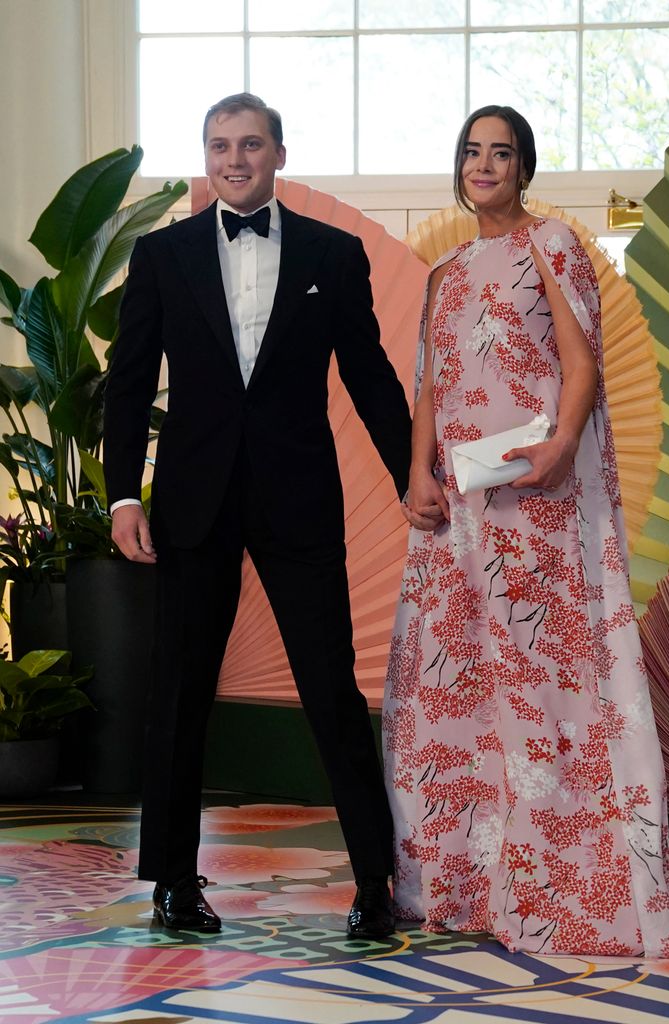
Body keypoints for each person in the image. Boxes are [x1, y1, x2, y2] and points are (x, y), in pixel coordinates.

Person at [383, 105, 669, 957]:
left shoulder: (552, 245)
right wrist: (416, 473)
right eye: (471, 151)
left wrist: (562, 445)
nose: (484, 165)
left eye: (502, 153)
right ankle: (466, 876)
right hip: (457, 509)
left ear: (525, 169)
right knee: (458, 675)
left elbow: (582, 365)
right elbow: (431, 387)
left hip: (533, 499)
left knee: (541, 672)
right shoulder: (444, 274)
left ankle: (567, 878)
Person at [104, 92, 411, 938]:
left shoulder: (335, 253)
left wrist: (410, 477)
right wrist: (124, 493)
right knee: (180, 694)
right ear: (206, 158)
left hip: (298, 498)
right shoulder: (160, 256)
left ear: (279, 153)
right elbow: (128, 387)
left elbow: (372, 378)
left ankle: (374, 883)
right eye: (218, 146)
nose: (233, 159)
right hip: (192, 503)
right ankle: (172, 880)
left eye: (249, 144)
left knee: (333, 692)